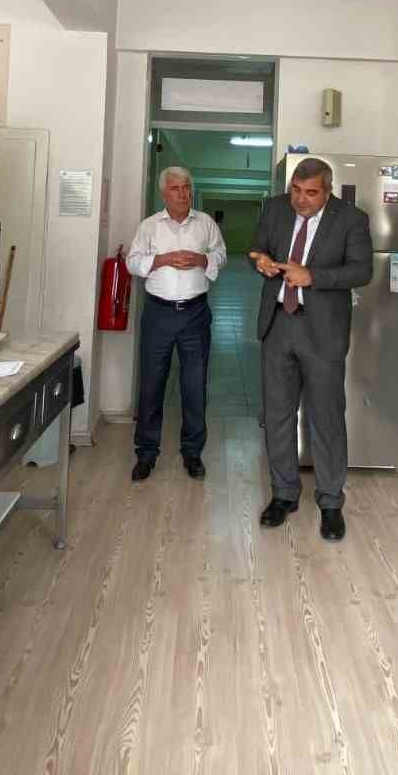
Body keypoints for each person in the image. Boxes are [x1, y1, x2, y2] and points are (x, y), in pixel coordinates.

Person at [248, 157, 373, 542]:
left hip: (323, 332)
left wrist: (313, 276)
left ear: (328, 191)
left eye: (311, 193)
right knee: (277, 415)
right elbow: (257, 248)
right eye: (296, 191)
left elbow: (362, 270)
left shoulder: (351, 219)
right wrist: (261, 262)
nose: (301, 200)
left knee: (326, 418)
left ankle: (331, 502)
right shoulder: (275, 208)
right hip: (278, 325)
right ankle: (284, 494)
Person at [126, 166, 227, 482]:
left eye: (186, 188)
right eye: (175, 188)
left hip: (195, 314)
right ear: (164, 193)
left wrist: (202, 260)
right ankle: (146, 453)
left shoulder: (205, 224)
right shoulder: (149, 226)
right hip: (158, 314)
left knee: (194, 386)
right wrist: (161, 260)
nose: (183, 194)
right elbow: (132, 262)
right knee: (151, 384)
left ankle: (192, 452)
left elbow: (221, 254)